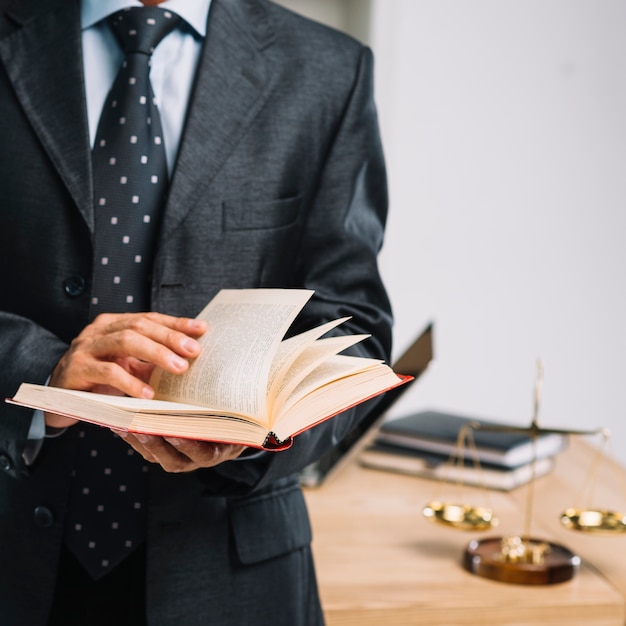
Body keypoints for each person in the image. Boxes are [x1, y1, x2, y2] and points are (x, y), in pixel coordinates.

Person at [0, 0, 392, 624]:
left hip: (231, 569)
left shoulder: (327, 69)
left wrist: (254, 433)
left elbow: (354, 325)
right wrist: (42, 372)